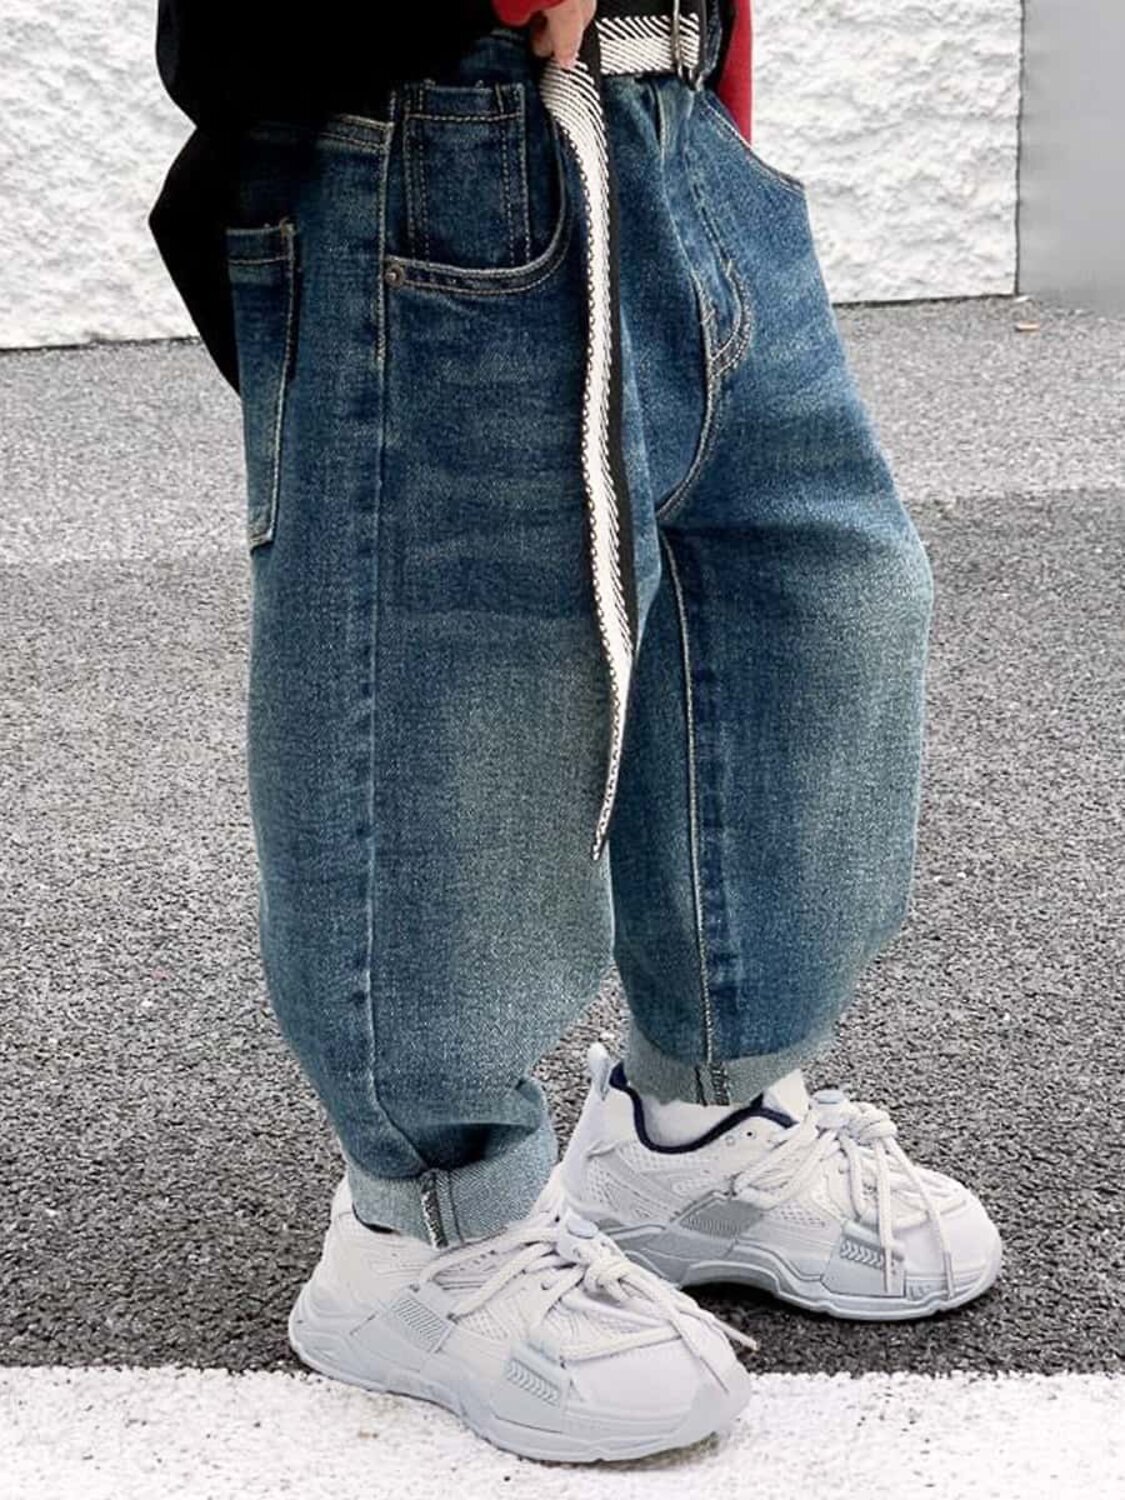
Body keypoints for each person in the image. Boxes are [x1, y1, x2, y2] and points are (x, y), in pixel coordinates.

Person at [149, 0, 1002, 1465]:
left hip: (672, 108)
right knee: (454, 669)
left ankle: (695, 1131)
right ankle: (421, 1232)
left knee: (802, 603)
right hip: (431, 121)